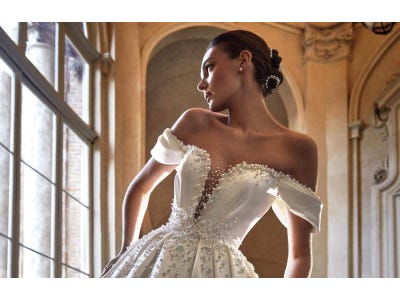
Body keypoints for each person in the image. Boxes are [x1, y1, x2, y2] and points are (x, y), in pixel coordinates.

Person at [101, 29, 322, 278]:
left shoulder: (297, 149)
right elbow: (141, 187)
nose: (201, 83)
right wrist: (127, 250)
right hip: (156, 259)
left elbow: (300, 256)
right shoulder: (194, 122)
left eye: (209, 67)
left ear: (243, 61)